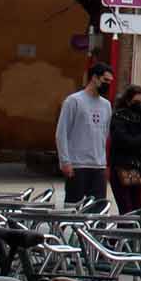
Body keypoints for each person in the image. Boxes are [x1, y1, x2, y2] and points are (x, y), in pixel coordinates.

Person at [56, 61, 114, 205]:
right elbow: (61, 132)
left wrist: (106, 163)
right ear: (94, 77)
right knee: (73, 206)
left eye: (110, 81)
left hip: (98, 165)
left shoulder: (106, 105)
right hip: (77, 164)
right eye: (105, 80)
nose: (108, 84)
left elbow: (106, 134)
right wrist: (65, 161)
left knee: (98, 208)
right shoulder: (74, 101)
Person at [108, 85, 141, 214]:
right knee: (126, 209)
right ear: (128, 101)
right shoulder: (119, 117)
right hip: (122, 167)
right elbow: (123, 140)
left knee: (136, 210)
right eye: (136, 102)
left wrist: (140, 141)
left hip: (139, 168)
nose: (140, 105)